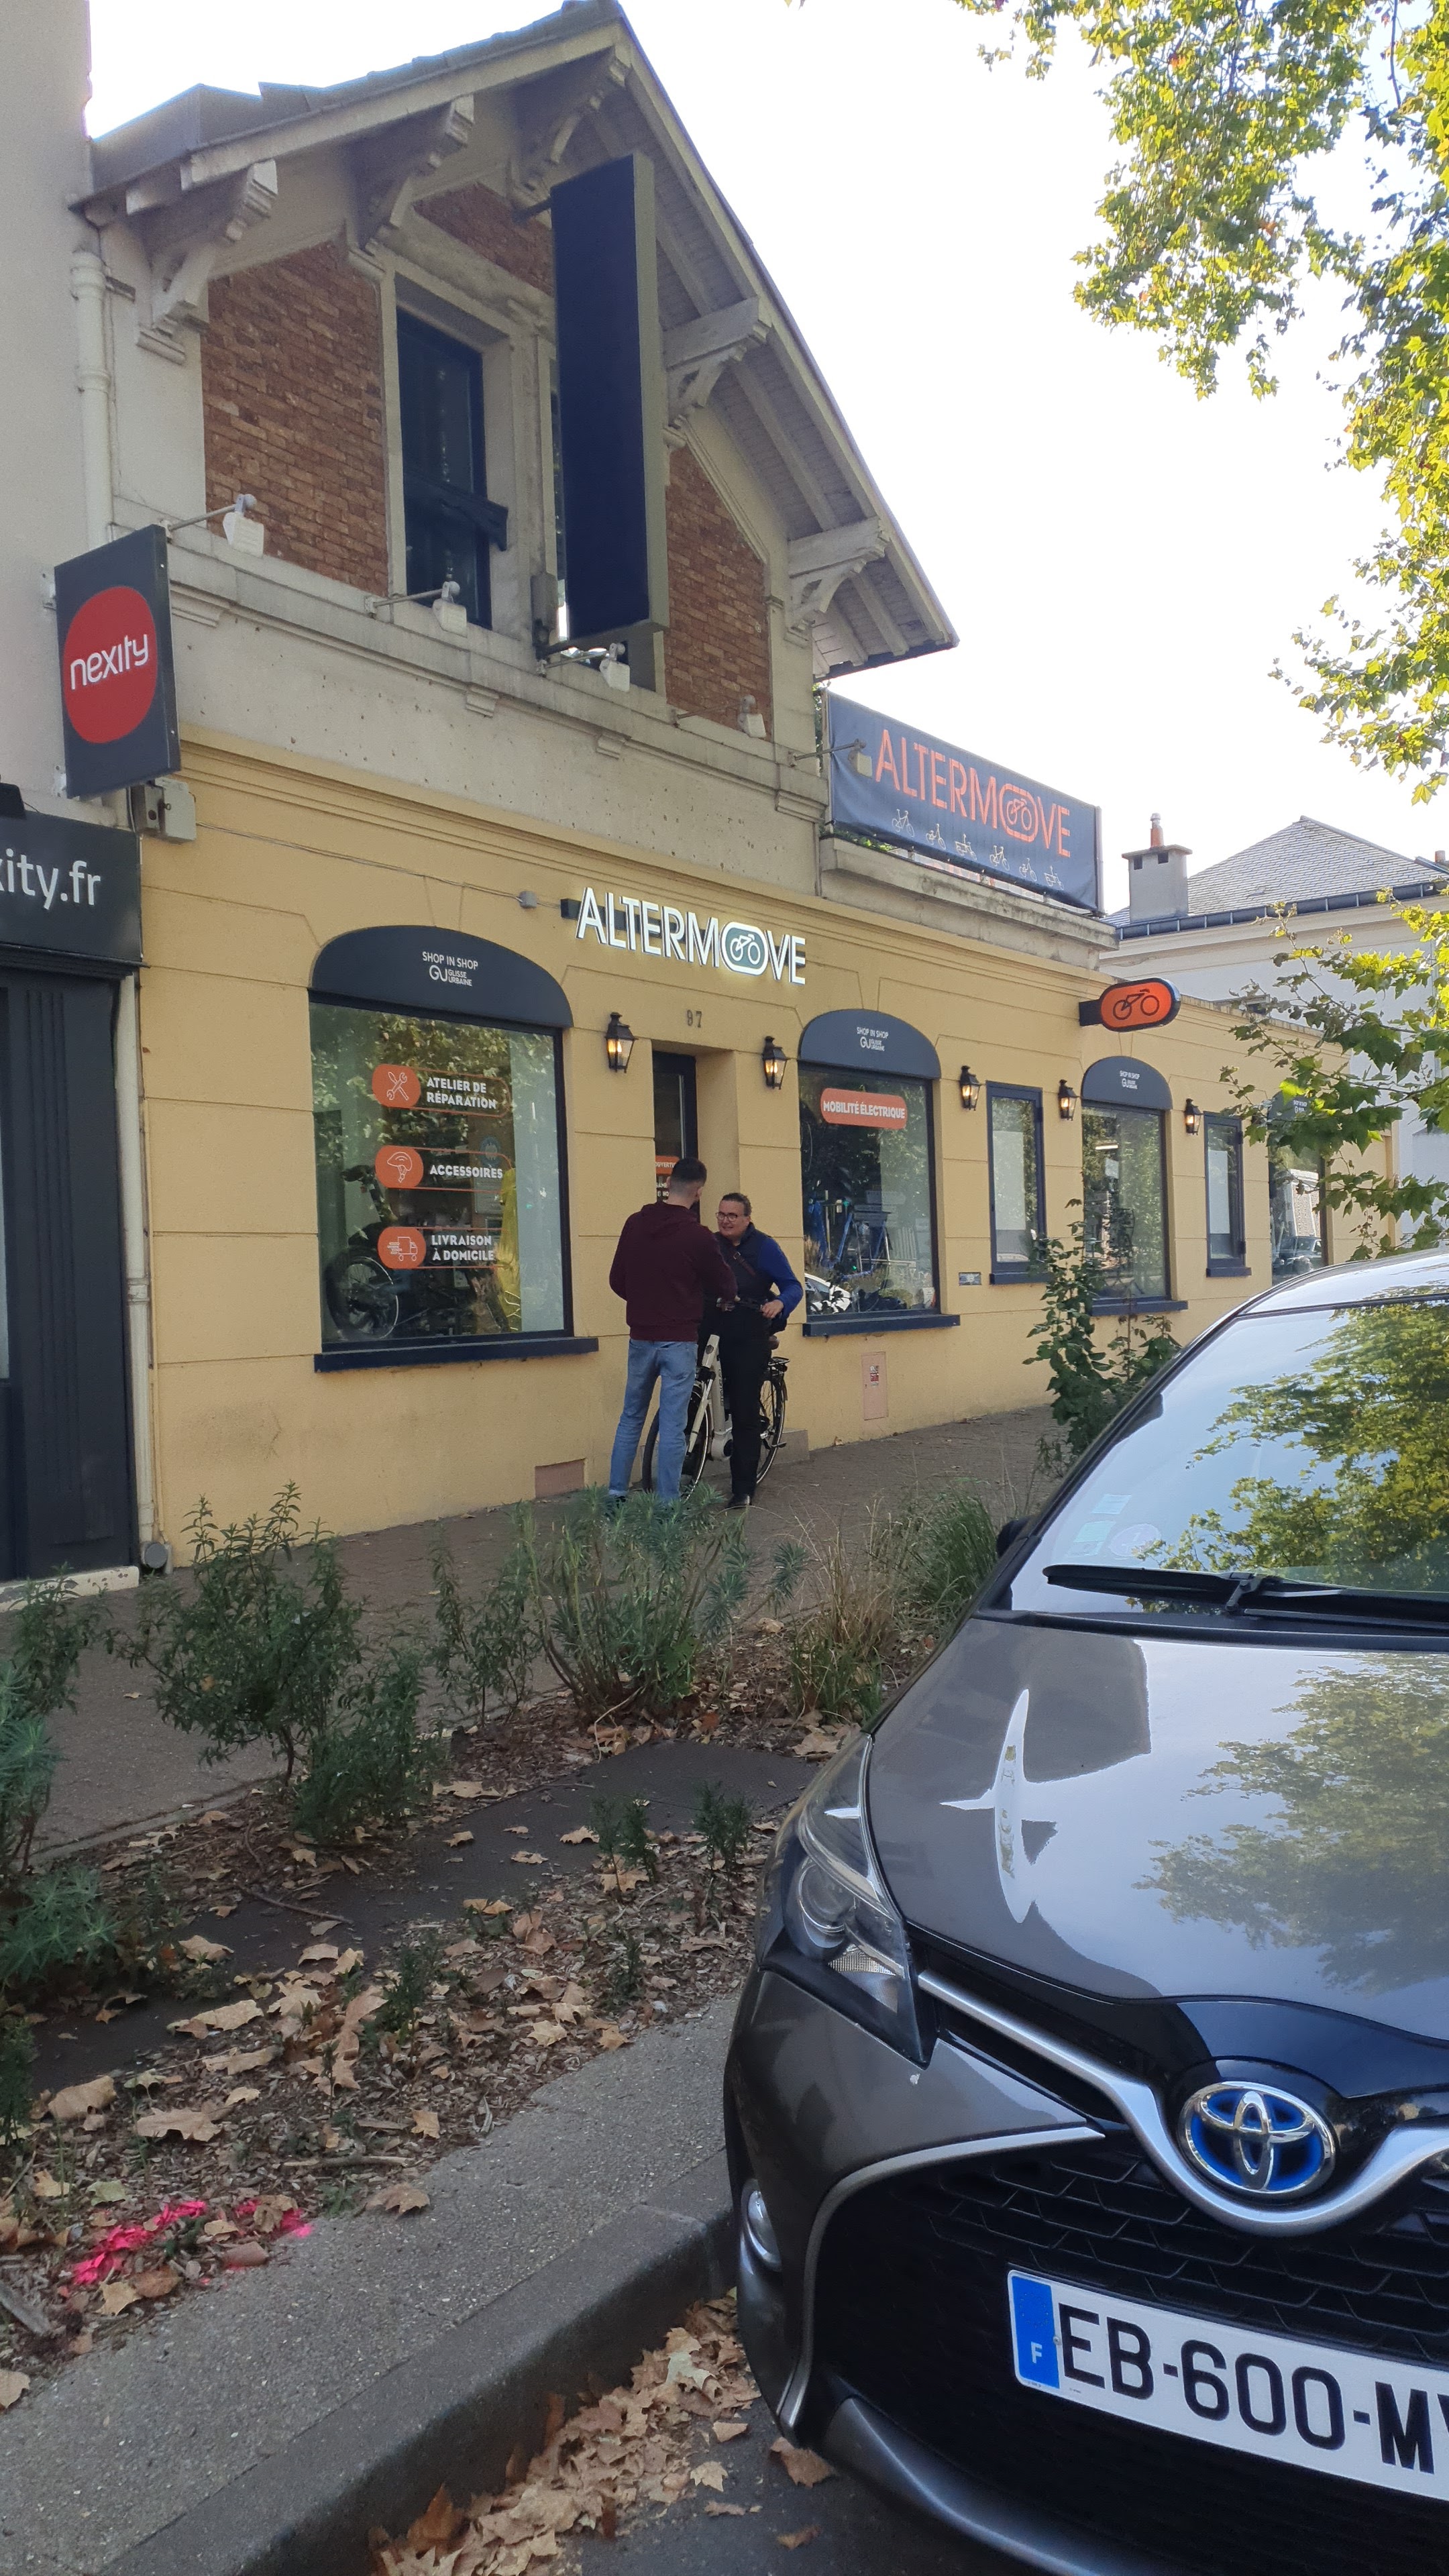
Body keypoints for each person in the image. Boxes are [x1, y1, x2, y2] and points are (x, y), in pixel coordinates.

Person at [607, 1157, 735, 1502]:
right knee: (673, 1426)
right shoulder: (698, 1237)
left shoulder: (634, 1224)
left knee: (631, 1417)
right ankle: (667, 1505)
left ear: (667, 1184)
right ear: (699, 1192)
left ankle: (616, 1496)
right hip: (678, 1340)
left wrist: (645, 1303)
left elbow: (617, 1280)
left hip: (640, 1336)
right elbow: (726, 1285)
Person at [708, 1191, 803, 1509]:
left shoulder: (764, 1247)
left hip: (748, 1333)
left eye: (732, 1215)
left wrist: (780, 1303)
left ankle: (743, 1489)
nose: (725, 1221)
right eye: (721, 1214)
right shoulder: (709, 1244)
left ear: (747, 1219)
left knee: (744, 1409)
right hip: (712, 1329)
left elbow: (793, 1286)